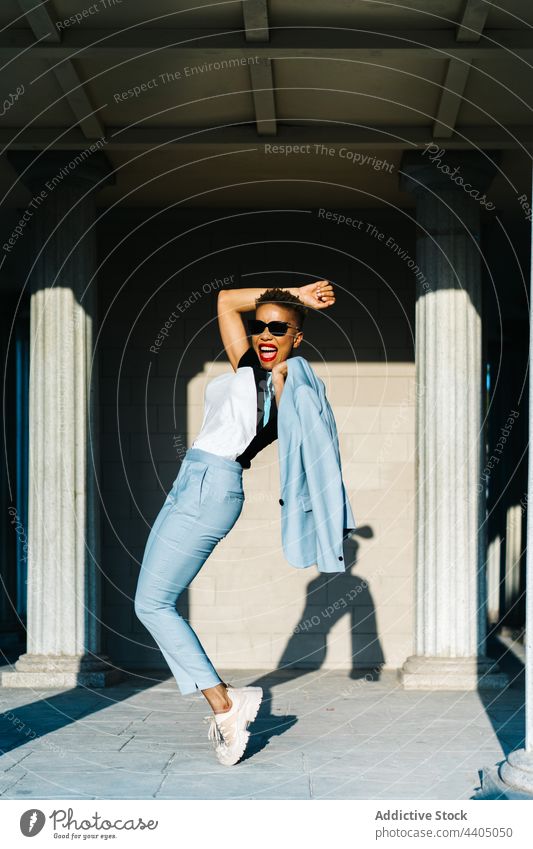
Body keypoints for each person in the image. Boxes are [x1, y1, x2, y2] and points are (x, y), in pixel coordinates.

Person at [134, 280, 336, 765]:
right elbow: (225, 301)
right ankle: (226, 702)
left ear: (296, 339)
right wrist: (294, 293)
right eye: (260, 326)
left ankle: (226, 703)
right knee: (151, 602)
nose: (266, 333)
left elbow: (312, 437)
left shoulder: (290, 381)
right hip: (193, 481)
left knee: (152, 604)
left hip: (213, 485)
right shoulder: (248, 366)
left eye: (279, 328)